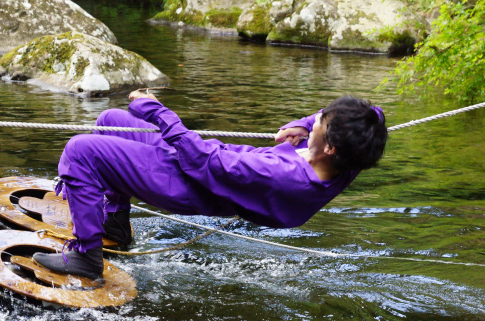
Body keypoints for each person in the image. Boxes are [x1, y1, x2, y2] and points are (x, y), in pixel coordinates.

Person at [33, 91, 388, 279]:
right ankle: (113, 223)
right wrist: (303, 122)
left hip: (190, 183)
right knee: (112, 121)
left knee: (80, 151)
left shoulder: (280, 175)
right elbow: (375, 114)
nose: (316, 124)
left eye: (320, 125)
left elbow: (202, 159)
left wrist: (156, 110)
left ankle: (87, 257)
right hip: (209, 169)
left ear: (330, 148)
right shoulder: (352, 154)